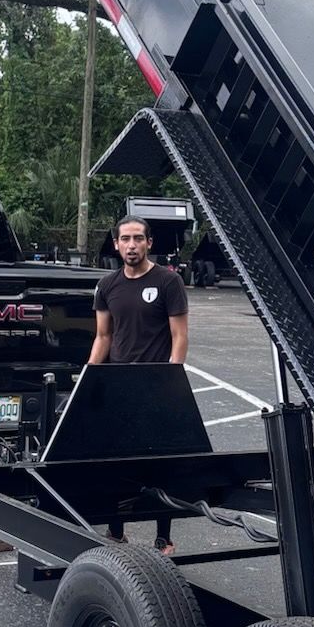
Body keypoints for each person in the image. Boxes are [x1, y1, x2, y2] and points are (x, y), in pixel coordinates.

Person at [90, 215, 189, 553]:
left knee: (159, 463)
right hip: (120, 385)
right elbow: (103, 336)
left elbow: (180, 337)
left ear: (149, 243)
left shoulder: (167, 282)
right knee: (116, 462)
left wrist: (171, 380)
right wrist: (91, 375)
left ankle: (164, 537)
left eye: (138, 239)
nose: (132, 245)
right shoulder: (107, 286)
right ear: (116, 245)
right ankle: (116, 533)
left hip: (156, 386)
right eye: (125, 239)